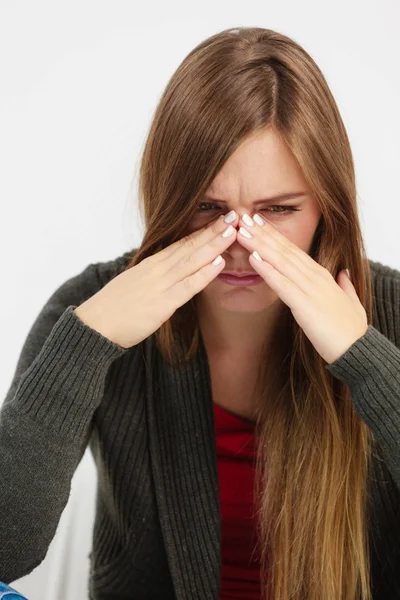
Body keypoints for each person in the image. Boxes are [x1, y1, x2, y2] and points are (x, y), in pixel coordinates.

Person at [1, 26, 400, 600]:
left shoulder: (387, 311)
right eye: (208, 209)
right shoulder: (90, 308)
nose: (240, 245)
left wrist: (366, 359)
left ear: (326, 207)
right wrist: (88, 342)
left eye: (278, 210)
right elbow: (3, 552)